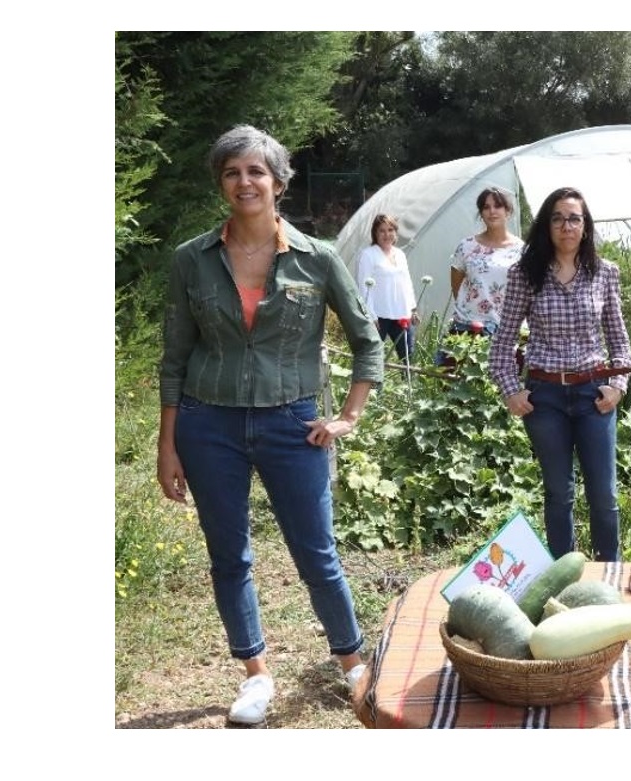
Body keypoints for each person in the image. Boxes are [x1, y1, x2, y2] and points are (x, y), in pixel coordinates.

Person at [156, 125, 384, 726]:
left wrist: (347, 417)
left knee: (318, 554)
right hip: (208, 427)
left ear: (278, 182)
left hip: (294, 425)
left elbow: (368, 343)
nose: (244, 182)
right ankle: (255, 674)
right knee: (229, 556)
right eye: (232, 172)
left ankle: (352, 662)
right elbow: (175, 357)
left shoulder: (319, 258)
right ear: (221, 184)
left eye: (256, 171)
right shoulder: (190, 260)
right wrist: (168, 443)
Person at [488, 187, 631, 562]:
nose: (566, 226)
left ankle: (608, 574)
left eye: (574, 218)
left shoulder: (604, 273)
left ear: (585, 226)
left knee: (603, 494)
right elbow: (502, 342)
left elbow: (620, 341)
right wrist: (511, 391)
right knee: (558, 492)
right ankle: (561, 576)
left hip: (593, 397)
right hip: (546, 397)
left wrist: (617, 386)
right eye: (558, 218)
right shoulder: (527, 274)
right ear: (546, 225)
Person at [449, 187, 524, 338]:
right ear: (481, 214)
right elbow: (456, 285)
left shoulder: (522, 249)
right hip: (467, 326)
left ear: (507, 211)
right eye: (486, 207)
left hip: (506, 329)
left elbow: (524, 291)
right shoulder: (466, 246)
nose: (492, 211)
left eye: (497, 206)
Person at [354, 213, 418, 361]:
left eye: (390, 230)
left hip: (402, 313)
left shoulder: (400, 254)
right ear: (375, 234)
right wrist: (370, 315)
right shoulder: (368, 255)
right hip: (379, 316)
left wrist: (412, 309)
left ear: (395, 233)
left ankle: (408, 383)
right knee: (373, 357)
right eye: (382, 231)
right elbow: (364, 287)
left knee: (407, 357)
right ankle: (375, 385)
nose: (386, 234)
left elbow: (406, 283)